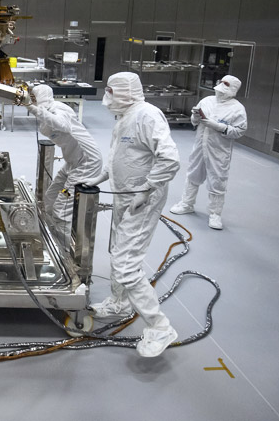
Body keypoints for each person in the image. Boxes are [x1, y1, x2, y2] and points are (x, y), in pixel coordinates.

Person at [82, 72, 180, 358]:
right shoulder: (125, 117)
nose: (107, 97)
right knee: (117, 249)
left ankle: (160, 327)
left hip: (143, 199)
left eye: (111, 91)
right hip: (125, 194)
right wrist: (100, 177)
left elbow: (170, 159)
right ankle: (120, 303)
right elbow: (120, 157)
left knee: (126, 263)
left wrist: (147, 188)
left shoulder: (147, 116)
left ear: (125, 91)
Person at [26, 84, 102, 252]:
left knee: (62, 207)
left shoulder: (59, 109)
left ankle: (66, 251)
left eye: (33, 97)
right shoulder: (45, 114)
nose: (31, 100)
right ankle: (54, 235)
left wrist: (33, 109)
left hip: (86, 163)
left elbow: (63, 125)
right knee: (50, 197)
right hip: (71, 163)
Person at [169, 75, 247, 230]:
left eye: (224, 90)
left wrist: (218, 126)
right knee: (193, 174)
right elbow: (194, 122)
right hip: (199, 146)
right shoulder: (207, 101)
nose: (219, 92)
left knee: (217, 180)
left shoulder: (237, 109)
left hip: (219, 150)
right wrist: (195, 116)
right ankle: (187, 204)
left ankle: (215, 214)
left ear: (232, 90)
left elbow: (239, 131)